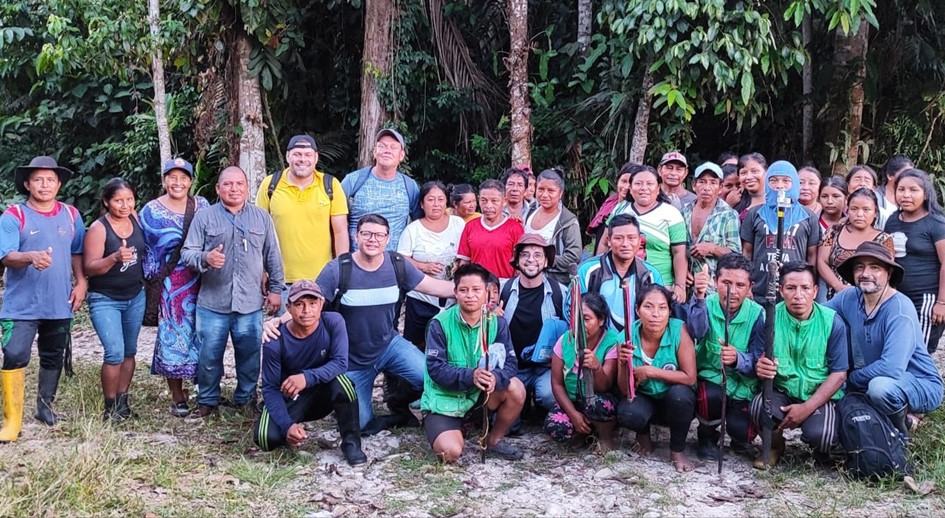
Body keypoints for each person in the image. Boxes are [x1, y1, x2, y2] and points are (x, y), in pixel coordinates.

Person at [264, 214, 455, 432]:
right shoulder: (338, 269)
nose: (373, 240)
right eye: (367, 234)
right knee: (361, 424)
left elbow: (434, 287)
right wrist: (278, 321)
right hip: (351, 359)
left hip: (389, 345)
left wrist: (473, 291)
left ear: (387, 239)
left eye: (379, 235)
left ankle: (398, 400)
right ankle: (386, 417)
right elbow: (311, 303)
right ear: (356, 236)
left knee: (430, 376)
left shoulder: (397, 264)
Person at [181, 166, 284, 418]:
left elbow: (273, 255)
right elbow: (187, 252)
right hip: (212, 302)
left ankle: (246, 399)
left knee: (250, 355)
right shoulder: (204, 217)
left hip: (250, 303)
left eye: (239, 184)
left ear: (247, 188)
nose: (234, 189)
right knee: (209, 355)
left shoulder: (261, 218)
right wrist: (205, 258)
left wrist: (276, 290)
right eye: (227, 184)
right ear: (218, 189)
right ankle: (207, 400)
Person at [0, 156, 87, 441]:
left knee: (53, 354)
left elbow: (77, 252)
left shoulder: (71, 215)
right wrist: (30, 257)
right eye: (38, 179)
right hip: (21, 305)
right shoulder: (14, 216)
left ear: (59, 184)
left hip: (59, 302)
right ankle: (12, 421)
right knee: (15, 354)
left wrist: (81, 282)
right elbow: (6, 256)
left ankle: (45, 407)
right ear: (27, 184)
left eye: (50, 180)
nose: (45, 185)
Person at [827, 242, 944, 438]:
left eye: (875, 267)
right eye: (859, 267)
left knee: (879, 388)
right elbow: (818, 316)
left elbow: (891, 368)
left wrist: (847, 379)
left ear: (889, 273)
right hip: (875, 376)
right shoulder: (849, 297)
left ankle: (900, 429)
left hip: (920, 382)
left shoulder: (899, 309)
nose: (866, 273)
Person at [252, 280, 367, 466]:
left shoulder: (333, 322)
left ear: (321, 304)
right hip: (291, 396)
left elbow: (340, 363)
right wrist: (287, 426)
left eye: (312, 303)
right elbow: (270, 387)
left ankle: (351, 443)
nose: (307, 310)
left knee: (343, 384)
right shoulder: (274, 339)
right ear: (288, 308)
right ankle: (292, 431)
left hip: (323, 391)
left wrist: (307, 377)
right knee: (266, 439)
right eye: (299, 304)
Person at [421, 263, 526, 462]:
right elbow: (435, 369)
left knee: (516, 388)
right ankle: (446, 428)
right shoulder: (439, 323)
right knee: (449, 453)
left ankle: (493, 440)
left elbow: (511, 363)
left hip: (479, 396)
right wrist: (472, 375)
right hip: (445, 400)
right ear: (455, 293)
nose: (470, 295)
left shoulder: (497, 323)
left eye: (476, 290)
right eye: (463, 290)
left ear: (487, 293)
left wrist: (495, 377)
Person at [749, 262, 848, 468]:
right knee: (760, 408)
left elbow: (839, 374)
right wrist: (760, 367)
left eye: (805, 288)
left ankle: (819, 450)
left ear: (815, 291)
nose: (798, 295)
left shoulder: (832, 322)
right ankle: (774, 445)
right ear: (781, 290)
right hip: (782, 391)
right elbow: (756, 359)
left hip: (818, 394)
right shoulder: (768, 318)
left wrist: (806, 408)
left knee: (823, 435)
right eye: (791, 288)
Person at [141, 158, 211, 417]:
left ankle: (205, 392)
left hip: (203, 281)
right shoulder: (151, 211)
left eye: (183, 178)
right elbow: (144, 247)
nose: (177, 182)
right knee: (173, 337)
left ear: (191, 181)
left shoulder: (202, 205)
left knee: (205, 335)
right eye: (172, 177)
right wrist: (150, 281)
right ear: (164, 180)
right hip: (170, 285)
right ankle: (178, 396)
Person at [686, 253, 764, 460]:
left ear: (750, 287)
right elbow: (696, 331)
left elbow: (759, 360)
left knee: (742, 430)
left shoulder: (758, 314)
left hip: (743, 386)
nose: (733, 291)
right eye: (726, 283)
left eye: (740, 285)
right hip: (712, 380)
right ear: (715, 281)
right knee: (709, 398)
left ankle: (740, 440)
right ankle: (707, 436)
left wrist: (738, 359)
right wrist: (699, 298)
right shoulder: (706, 304)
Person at [83, 178, 146, 422]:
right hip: (105, 298)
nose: (125, 205)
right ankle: (110, 409)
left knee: (130, 351)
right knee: (114, 353)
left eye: (129, 199)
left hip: (135, 295)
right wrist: (114, 258)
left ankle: (123, 403)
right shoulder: (98, 228)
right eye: (118, 200)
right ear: (106, 201)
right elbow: (90, 267)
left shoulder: (135, 218)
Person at [616, 285, 698, 473]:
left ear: (670, 311)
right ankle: (643, 433)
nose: (655, 314)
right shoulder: (626, 337)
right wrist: (623, 364)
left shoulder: (679, 330)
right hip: (645, 398)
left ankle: (677, 450)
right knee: (628, 411)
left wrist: (650, 371)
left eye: (662, 308)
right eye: (648, 307)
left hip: (674, 400)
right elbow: (624, 390)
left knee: (680, 396)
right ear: (637, 310)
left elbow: (690, 377)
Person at [256, 134, 349, 293]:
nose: (302, 159)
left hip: (322, 278)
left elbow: (340, 232)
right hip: (280, 280)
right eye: (297, 154)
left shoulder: (330, 185)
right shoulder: (270, 185)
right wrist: (262, 270)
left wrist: (342, 270)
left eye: (308, 155)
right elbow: (258, 231)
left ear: (316, 158)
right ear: (288, 156)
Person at [498, 234, 566, 413]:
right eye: (525, 254)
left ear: (546, 261)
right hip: (512, 367)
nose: (531, 260)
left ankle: (542, 408)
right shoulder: (502, 289)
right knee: (506, 416)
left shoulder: (560, 292)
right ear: (517, 260)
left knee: (550, 396)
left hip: (545, 367)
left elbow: (571, 332)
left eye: (537, 255)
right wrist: (492, 316)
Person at [544, 293, 620, 451]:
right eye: (575, 318)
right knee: (556, 427)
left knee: (598, 405)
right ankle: (583, 433)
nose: (579, 324)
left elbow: (604, 386)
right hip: (573, 399)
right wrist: (573, 414)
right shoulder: (565, 340)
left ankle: (605, 436)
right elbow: (557, 384)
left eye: (586, 319)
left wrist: (596, 367)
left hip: (598, 398)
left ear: (601, 320)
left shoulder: (612, 342)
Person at [397, 181, 466, 348]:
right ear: (422, 204)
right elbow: (401, 258)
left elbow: (467, 251)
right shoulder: (413, 229)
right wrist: (423, 266)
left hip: (453, 297)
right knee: (417, 345)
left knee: (449, 344)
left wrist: (459, 265)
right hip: (421, 298)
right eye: (430, 199)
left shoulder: (458, 224)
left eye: (440, 199)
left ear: (447, 202)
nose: (436, 204)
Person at [884, 168, 945, 353]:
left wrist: (942, 302)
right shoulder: (892, 221)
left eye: (913, 190)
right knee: (898, 348)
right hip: (897, 296)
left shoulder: (936, 223)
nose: (906, 195)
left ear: (925, 194)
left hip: (926, 299)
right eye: (901, 189)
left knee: (919, 351)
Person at [741, 160, 821, 301]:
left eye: (786, 181)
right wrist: (746, 285)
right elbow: (747, 253)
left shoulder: (808, 217)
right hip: (759, 290)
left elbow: (812, 256)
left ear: (794, 183)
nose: (779, 185)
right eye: (773, 181)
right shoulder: (755, 214)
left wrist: (808, 288)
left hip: (795, 293)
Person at [574, 214, 663, 334]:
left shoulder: (651, 274)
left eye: (631, 238)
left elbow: (659, 314)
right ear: (609, 241)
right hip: (596, 341)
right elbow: (573, 309)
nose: (625, 244)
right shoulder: (587, 271)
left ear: (639, 241)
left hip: (637, 341)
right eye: (618, 238)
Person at [610, 166, 687, 302]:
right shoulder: (620, 209)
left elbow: (679, 252)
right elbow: (605, 242)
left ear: (658, 188)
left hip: (661, 283)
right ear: (630, 188)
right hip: (621, 282)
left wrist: (680, 286)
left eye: (650, 184)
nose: (644, 188)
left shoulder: (671, 213)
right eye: (638, 183)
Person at [342, 128, 421, 251]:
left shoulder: (410, 186)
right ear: (375, 152)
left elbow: (421, 223)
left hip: (394, 260)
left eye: (393, 147)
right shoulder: (353, 181)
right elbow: (336, 221)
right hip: (356, 258)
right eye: (382, 146)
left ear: (401, 155)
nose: (387, 151)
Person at [818, 188, 893, 300]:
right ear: (847, 210)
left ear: (875, 212)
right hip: (835, 298)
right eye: (854, 209)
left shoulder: (884, 239)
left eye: (866, 209)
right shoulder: (834, 231)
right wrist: (838, 287)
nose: (859, 214)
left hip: (870, 299)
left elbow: (887, 272)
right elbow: (821, 261)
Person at [681, 162, 741, 289]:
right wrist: (682, 271)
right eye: (702, 182)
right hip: (687, 287)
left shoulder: (729, 215)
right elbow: (676, 249)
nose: (706, 188)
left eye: (713, 182)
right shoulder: (684, 212)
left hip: (713, 289)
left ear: (720, 188)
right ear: (694, 185)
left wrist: (712, 249)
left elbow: (736, 256)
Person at [523, 168, 582, 285]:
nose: (545, 195)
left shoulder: (567, 220)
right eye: (540, 189)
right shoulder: (529, 211)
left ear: (560, 193)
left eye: (551, 191)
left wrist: (546, 260)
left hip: (554, 282)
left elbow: (574, 255)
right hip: (525, 279)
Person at [456, 179, 524, 280]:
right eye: (484, 200)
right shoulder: (470, 226)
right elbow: (464, 261)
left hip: (505, 284)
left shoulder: (515, 228)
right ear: (479, 200)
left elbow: (520, 264)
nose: (488, 206)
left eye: (494, 201)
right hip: (477, 284)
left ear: (504, 201)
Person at [587, 162, 635, 252]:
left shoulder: (633, 209)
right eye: (623, 181)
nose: (626, 187)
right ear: (617, 181)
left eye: (631, 183)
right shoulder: (610, 202)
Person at [877, 155, 914, 224]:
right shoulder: (874, 197)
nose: (909, 177)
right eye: (905, 174)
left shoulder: (913, 199)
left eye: (912, 174)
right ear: (890, 176)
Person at [732, 153, 768, 219]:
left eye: (754, 171)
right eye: (743, 173)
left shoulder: (776, 201)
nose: (749, 177)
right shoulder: (735, 200)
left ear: (766, 173)